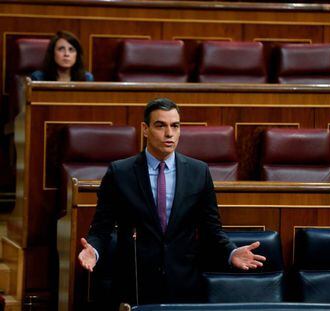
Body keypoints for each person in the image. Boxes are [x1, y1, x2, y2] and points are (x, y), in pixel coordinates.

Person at [78, 98, 266, 308]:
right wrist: (93, 251)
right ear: (145, 129)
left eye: (175, 126)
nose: (169, 133)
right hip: (135, 285)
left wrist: (231, 252)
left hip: (184, 285)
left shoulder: (198, 172)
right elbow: (102, 228)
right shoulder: (120, 173)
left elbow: (211, 229)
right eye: (160, 125)